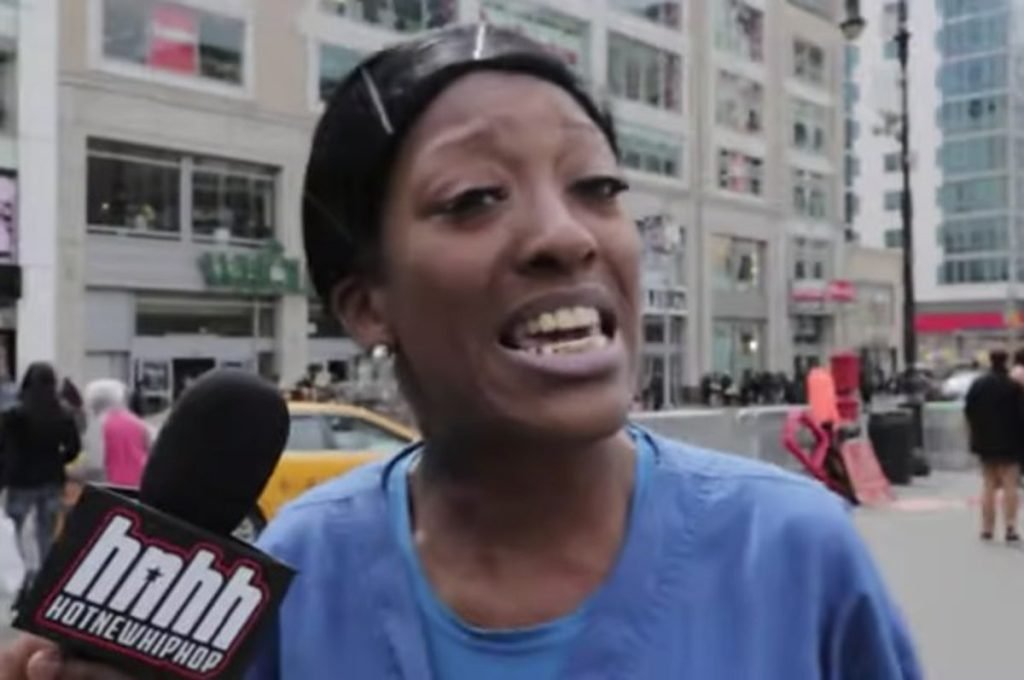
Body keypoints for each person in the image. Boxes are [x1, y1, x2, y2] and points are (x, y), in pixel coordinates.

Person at [0, 25, 920, 680]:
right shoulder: (302, 573)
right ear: (368, 305)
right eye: (475, 197)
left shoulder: (793, 552)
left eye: (598, 187)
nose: (567, 236)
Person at [0, 363, 81, 574]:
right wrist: (59, 460)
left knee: (13, 529)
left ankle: (18, 572)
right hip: (52, 478)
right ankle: (45, 574)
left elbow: (4, 449)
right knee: (46, 531)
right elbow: (74, 448)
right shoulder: (63, 414)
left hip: (20, 480)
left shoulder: (14, 415)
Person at [964, 349, 1022, 543]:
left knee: (988, 484)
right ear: (1006, 361)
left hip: (985, 441)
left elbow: (969, 411)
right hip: (1010, 442)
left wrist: (975, 434)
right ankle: (1010, 527)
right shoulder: (1013, 386)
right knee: (1010, 484)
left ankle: (987, 528)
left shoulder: (978, 384)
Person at [78, 379, 151, 487]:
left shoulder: (98, 425)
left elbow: (95, 465)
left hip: (112, 488)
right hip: (139, 484)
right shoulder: (138, 422)